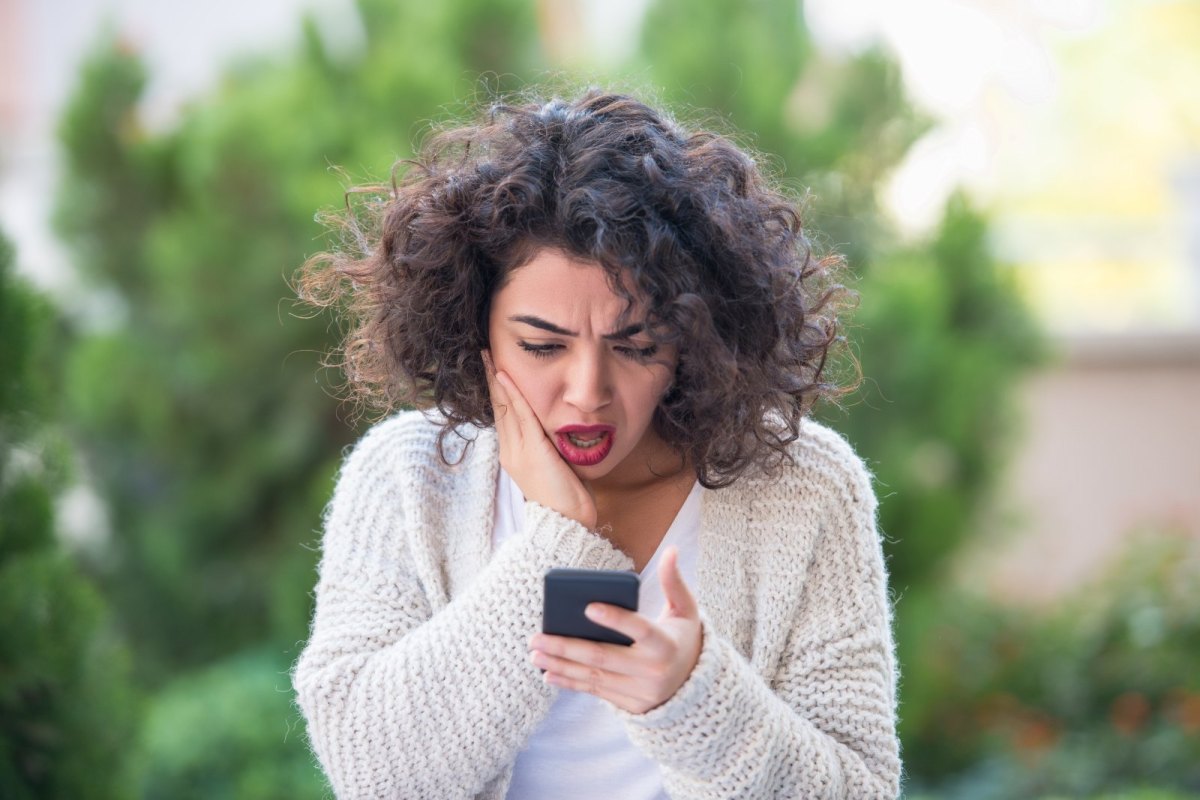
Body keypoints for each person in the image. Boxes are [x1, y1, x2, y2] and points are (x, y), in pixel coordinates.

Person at [291, 89, 901, 799]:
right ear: (474, 329)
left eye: (635, 344)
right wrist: (557, 543)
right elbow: (374, 773)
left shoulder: (805, 487)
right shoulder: (407, 477)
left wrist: (693, 698)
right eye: (542, 346)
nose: (588, 391)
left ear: (694, 336)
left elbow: (861, 790)